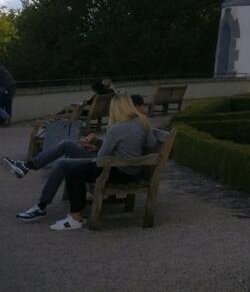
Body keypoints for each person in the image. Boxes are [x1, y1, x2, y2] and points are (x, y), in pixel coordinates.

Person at [12, 93, 151, 229]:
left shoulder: (117, 128)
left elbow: (101, 158)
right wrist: (98, 143)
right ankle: (27, 166)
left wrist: (97, 147)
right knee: (66, 145)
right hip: (121, 164)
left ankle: (42, 206)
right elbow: (149, 143)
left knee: (63, 164)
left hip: (114, 166)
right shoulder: (142, 123)